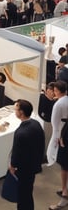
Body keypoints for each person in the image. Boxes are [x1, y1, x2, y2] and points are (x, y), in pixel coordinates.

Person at [10, 99, 45, 210]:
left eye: (16, 109)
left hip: (23, 169)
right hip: (33, 165)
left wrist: (12, 166)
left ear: (21, 112)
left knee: (23, 194)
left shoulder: (20, 133)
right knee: (27, 192)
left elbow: (16, 152)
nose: (15, 111)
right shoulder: (36, 124)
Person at [48, 80, 68, 208]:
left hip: (63, 136)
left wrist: (57, 137)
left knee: (64, 166)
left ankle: (65, 193)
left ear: (57, 91)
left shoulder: (58, 104)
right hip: (64, 133)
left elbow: (54, 123)